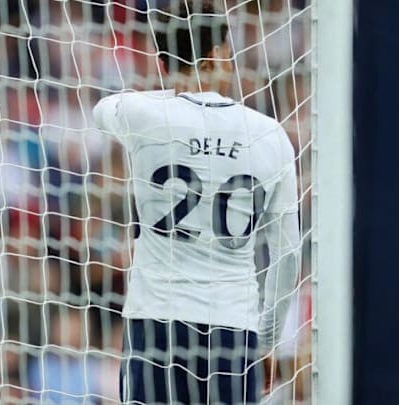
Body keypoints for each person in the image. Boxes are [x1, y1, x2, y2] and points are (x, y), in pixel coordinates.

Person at [92, 2, 301, 404]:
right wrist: (268, 333)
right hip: (231, 329)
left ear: (162, 60)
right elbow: (287, 253)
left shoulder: (142, 115)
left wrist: (172, 88)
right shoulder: (269, 135)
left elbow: (103, 110)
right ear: (220, 54)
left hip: (155, 325)